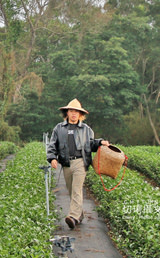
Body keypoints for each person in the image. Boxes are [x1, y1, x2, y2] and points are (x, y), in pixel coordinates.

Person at [47, 98, 110, 229]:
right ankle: (79, 215)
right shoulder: (59, 128)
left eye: (76, 111)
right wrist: (52, 158)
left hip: (80, 162)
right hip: (66, 163)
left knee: (76, 189)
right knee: (71, 190)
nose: (74, 113)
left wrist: (100, 142)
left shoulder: (86, 129)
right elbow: (53, 144)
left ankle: (73, 216)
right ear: (67, 113)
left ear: (80, 114)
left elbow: (90, 144)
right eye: (71, 111)